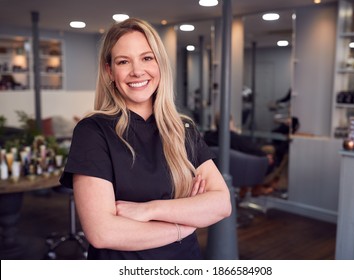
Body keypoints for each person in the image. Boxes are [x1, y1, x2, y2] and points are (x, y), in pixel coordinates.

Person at [59, 18, 231, 260]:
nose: (137, 71)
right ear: (109, 71)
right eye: (123, 61)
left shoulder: (183, 129)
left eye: (147, 58)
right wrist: (185, 224)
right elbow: (102, 232)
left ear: (160, 64)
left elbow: (221, 203)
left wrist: (148, 210)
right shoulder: (93, 131)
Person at [203, 113, 274, 196]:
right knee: (269, 156)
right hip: (242, 169)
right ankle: (257, 188)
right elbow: (252, 149)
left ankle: (246, 189)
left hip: (220, 171)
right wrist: (265, 157)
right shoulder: (233, 137)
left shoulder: (208, 137)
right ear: (229, 122)